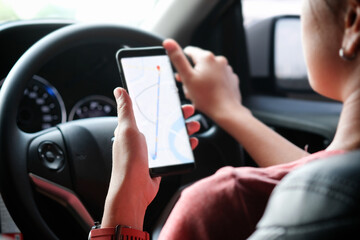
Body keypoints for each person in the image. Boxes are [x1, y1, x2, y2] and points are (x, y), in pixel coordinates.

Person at [90, 0, 360, 239]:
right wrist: (231, 111)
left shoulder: (223, 205)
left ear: (352, 23)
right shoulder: (341, 186)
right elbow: (318, 175)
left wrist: (127, 203)